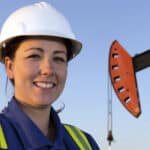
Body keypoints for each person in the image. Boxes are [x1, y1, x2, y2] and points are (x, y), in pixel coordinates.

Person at [0, 1, 100, 150]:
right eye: (34, 56)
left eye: (58, 58)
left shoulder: (84, 143)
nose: (48, 70)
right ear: (10, 67)